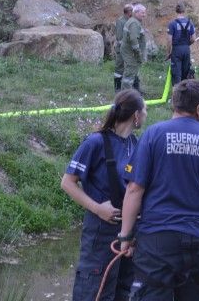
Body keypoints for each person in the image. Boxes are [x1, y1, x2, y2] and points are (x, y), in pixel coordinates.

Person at [117, 79, 199, 301]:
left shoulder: (153, 135)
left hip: (157, 241)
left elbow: (134, 189)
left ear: (174, 103)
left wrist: (126, 236)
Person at [61, 89, 148, 301]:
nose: (146, 115)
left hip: (128, 232)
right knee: (93, 290)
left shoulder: (136, 144)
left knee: (124, 291)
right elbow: (67, 183)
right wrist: (98, 209)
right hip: (100, 231)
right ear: (136, 115)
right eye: (145, 110)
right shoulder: (95, 142)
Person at [166, 3, 196, 86]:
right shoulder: (190, 23)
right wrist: (187, 44)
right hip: (186, 50)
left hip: (176, 50)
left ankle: (176, 92)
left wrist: (168, 52)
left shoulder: (172, 24)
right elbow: (194, 38)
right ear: (184, 10)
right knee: (185, 73)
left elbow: (169, 40)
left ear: (176, 10)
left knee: (176, 73)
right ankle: (184, 91)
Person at [120, 4, 147, 92]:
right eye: (142, 13)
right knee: (130, 73)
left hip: (130, 52)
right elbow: (134, 40)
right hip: (131, 53)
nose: (144, 15)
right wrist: (138, 54)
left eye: (144, 13)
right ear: (136, 13)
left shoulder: (134, 22)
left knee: (134, 72)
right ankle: (126, 94)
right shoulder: (134, 23)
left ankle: (136, 92)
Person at [113, 4, 134, 92]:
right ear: (128, 12)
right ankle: (117, 88)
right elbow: (119, 37)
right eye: (132, 11)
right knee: (119, 68)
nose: (133, 12)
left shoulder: (131, 20)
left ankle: (134, 88)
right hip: (122, 49)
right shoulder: (120, 21)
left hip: (130, 49)